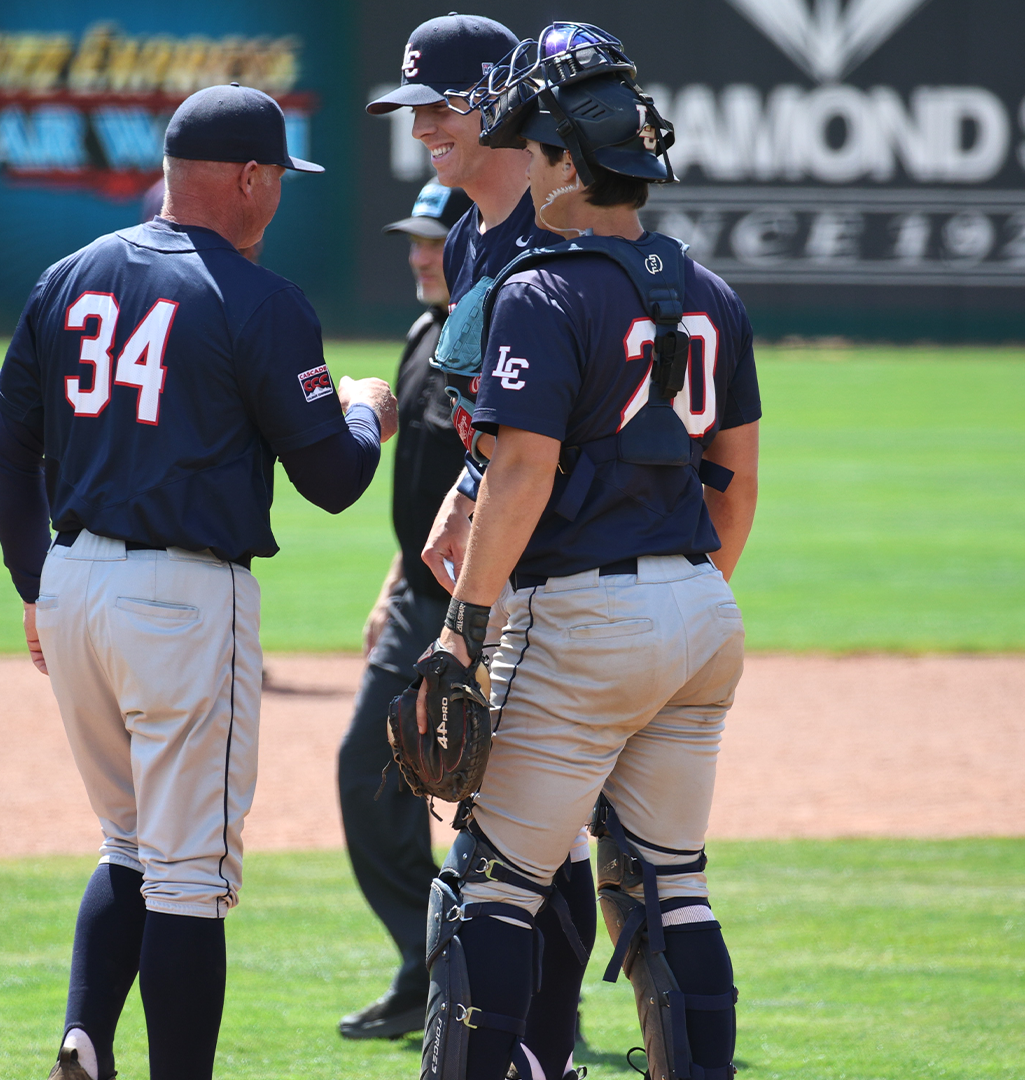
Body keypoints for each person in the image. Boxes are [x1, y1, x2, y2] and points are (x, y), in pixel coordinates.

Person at [0, 84, 398, 1080]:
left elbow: (7, 455)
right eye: (279, 178)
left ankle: (85, 1035)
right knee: (190, 876)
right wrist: (366, 413)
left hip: (73, 583)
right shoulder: (261, 300)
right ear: (249, 178)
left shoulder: (68, 276)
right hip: (180, 601)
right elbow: (332, 481)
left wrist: (35, 587)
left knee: (126, 840)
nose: (282, 196)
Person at [410, 24, 761, 1080]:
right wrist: (674, 623)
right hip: (704, 613)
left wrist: (460, 641)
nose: (536, 170)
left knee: (488, 889)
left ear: (568, 159)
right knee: (672, 888)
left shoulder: (544, 287)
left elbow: (516, 480)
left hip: (583, 616)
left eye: (541, 149)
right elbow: (735, 488)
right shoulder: (713, 298)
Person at [368, 18, 597, 1080]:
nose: (420, 130)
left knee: (546, 844)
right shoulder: (466, 238)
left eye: (439, 106)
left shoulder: (565, 229)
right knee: (503, 839)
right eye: (412, 110)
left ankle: (541, 1048)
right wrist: (465, 492)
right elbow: (491, 422)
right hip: (496, 566)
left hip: (567, 570)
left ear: (501, 102)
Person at [333, 179, 473, 1041]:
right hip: (419, 602)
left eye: (435, 238)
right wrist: (392, 579)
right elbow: (431, 488)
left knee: (502, 807)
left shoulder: (500, 336)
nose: (419, 253)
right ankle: (427, 969)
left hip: (482, 612)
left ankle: (528, 991)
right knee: (367, 775)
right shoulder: (428, 330)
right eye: (414, 239)